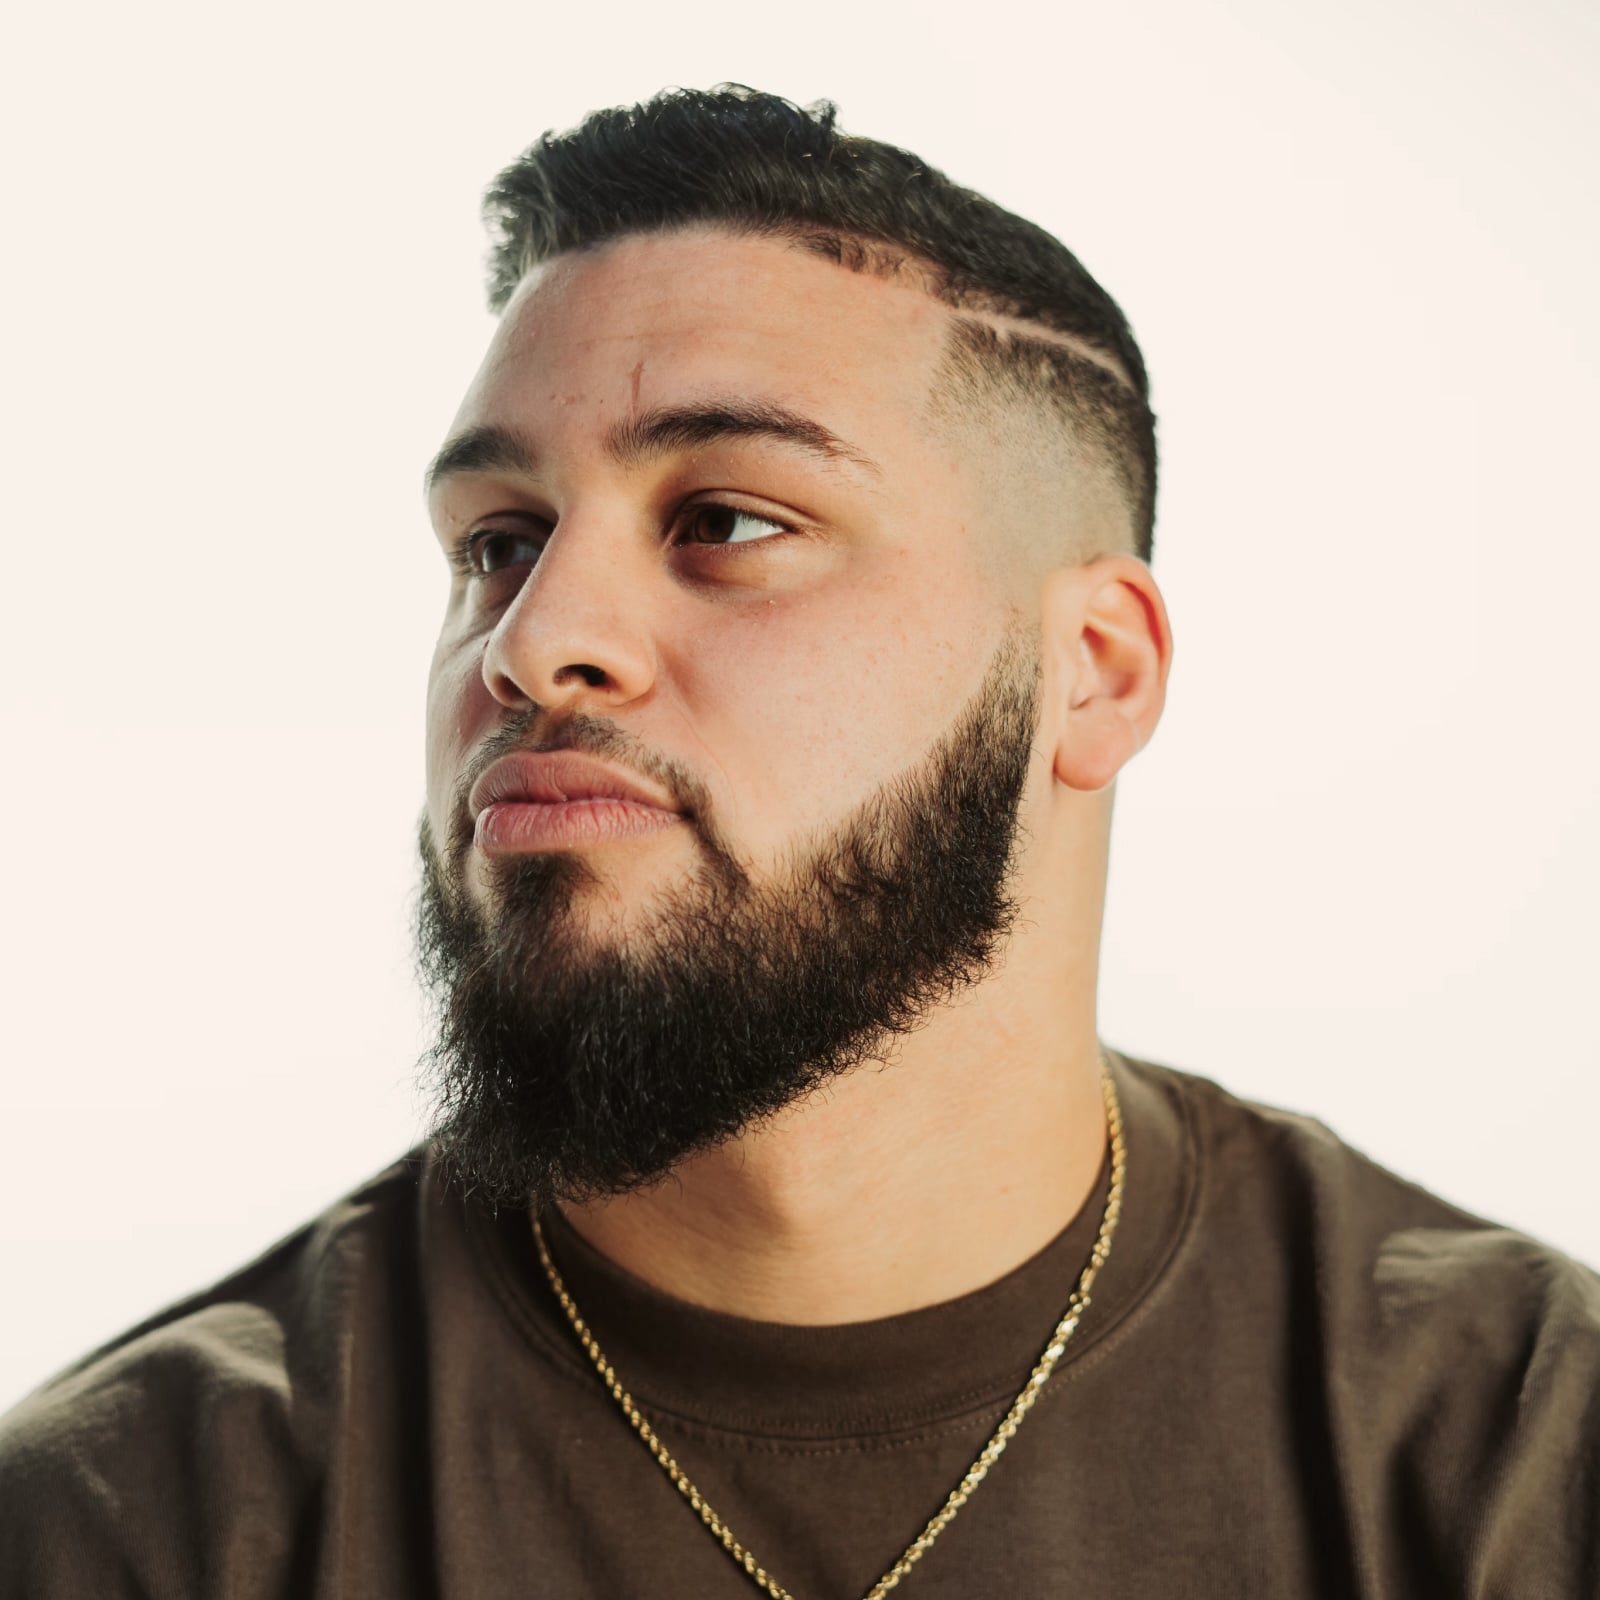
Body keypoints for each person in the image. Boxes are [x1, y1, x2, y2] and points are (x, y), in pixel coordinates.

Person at [2, 83, 1595, 1599]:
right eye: (498, 542)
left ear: (1093, 674)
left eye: (728, 522)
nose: (535, 642)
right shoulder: (136, 1526)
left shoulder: (1515, 1459)